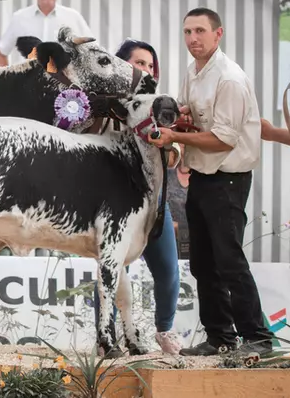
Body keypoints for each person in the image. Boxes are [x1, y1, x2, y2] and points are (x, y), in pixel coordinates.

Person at [149, 7, 274, 357]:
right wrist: (182, 116)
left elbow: (223, 139)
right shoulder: (194, 71)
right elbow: (192, 114)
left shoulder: (229, 78)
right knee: (203, 262)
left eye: (200, 31)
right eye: (188, 32)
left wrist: (175, 134)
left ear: (218, 35)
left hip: (229, 179)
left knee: (229, 259)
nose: (193, 39)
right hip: (203, 177)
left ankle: (258, 337)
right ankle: (220, 337)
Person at [91, 38, 182, 356]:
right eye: (138, 63)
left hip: (153, 207)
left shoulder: (161, 108)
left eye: (149, 65)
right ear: (121, 66)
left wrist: (165, 143)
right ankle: (106, 338)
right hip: (111, 207)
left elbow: (173, 158)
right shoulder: (96, 106)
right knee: (109, 271)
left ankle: (165, 331)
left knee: (169, 272)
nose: (145, 69)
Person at [0, 0, 92, 66]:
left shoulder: (73, 17)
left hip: (63, 81)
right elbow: (1, 52)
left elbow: (92, 50)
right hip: (30, 81)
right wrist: (8, 80)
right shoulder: (19, 18)